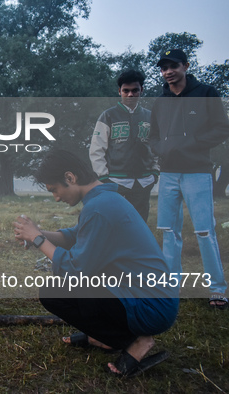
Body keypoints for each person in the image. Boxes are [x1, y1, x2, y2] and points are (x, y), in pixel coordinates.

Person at [14, 149, 179, 377]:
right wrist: (37, 232)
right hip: (145, 296)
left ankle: (135, 340)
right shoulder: (104, 200)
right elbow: (73, 236)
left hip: (150, 306)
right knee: (66, 288)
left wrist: (38, 239)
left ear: (70, 178)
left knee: (55, 291)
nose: (57, 198)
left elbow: (75, 269)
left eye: (55, 190)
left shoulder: (100, 208)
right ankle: (105, 336)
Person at [150, 49, 229, 309]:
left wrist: (190, 144)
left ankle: (217, 290)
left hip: (197, 171)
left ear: (185, 65)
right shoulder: (160, 101)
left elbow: (222, 128)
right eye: (163, 68)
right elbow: (153, 136)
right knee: (169, 231)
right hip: (169, 174)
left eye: (173, 66)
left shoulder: (206, 93)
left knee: (205, 231)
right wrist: (160, 149)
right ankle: (170, 288)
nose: (168, 71)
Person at [89, 70, 158, 221]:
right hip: (116, 180)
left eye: (135, 90)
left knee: (140, 223)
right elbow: (96, 150)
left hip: (144, 181)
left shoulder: (150, 116)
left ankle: (139, 245)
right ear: (119, 91)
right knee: (115, 220)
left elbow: (157, 148)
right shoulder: (108, 116)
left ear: (142, 90)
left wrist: (155, 174)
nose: (130, 95)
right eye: (126, 91)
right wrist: (104, 177)